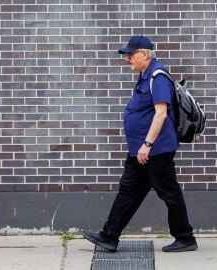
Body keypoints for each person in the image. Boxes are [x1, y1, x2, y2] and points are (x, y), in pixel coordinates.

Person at [82, 35, 198, 253]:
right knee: (128, 191)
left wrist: (147, 144)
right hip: (140, 150)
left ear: (144, 54)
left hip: (155, 150)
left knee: (169, 193)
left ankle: (185, 238)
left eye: (131, 55)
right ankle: (109, 236)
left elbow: (161, 114)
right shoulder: (146, 75)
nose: (127, 60)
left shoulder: (157, 76)